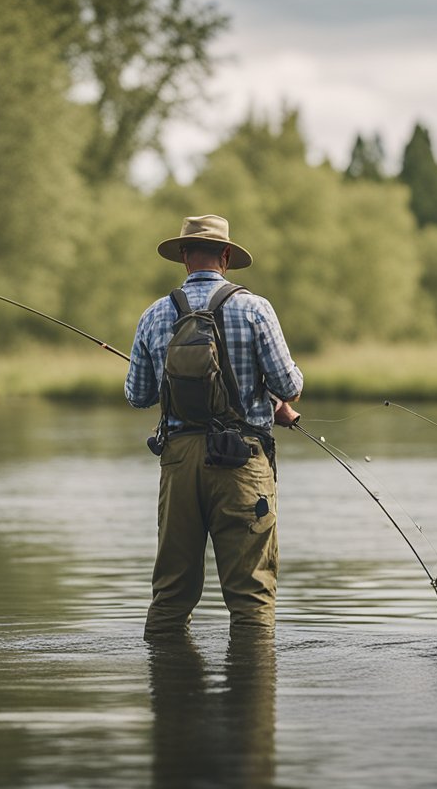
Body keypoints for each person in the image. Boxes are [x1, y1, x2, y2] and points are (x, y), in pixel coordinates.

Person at [125, 214, 303, 635]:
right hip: (241, 462)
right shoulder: (255, 308)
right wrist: (274, 400)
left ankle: (170, 694)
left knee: (170, 595)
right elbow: (289, 384)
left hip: (179, 462)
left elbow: (137, 395)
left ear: (184, 257)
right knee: (250, 596)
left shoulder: (154, 315)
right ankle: (251, 695)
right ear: (226, 255)